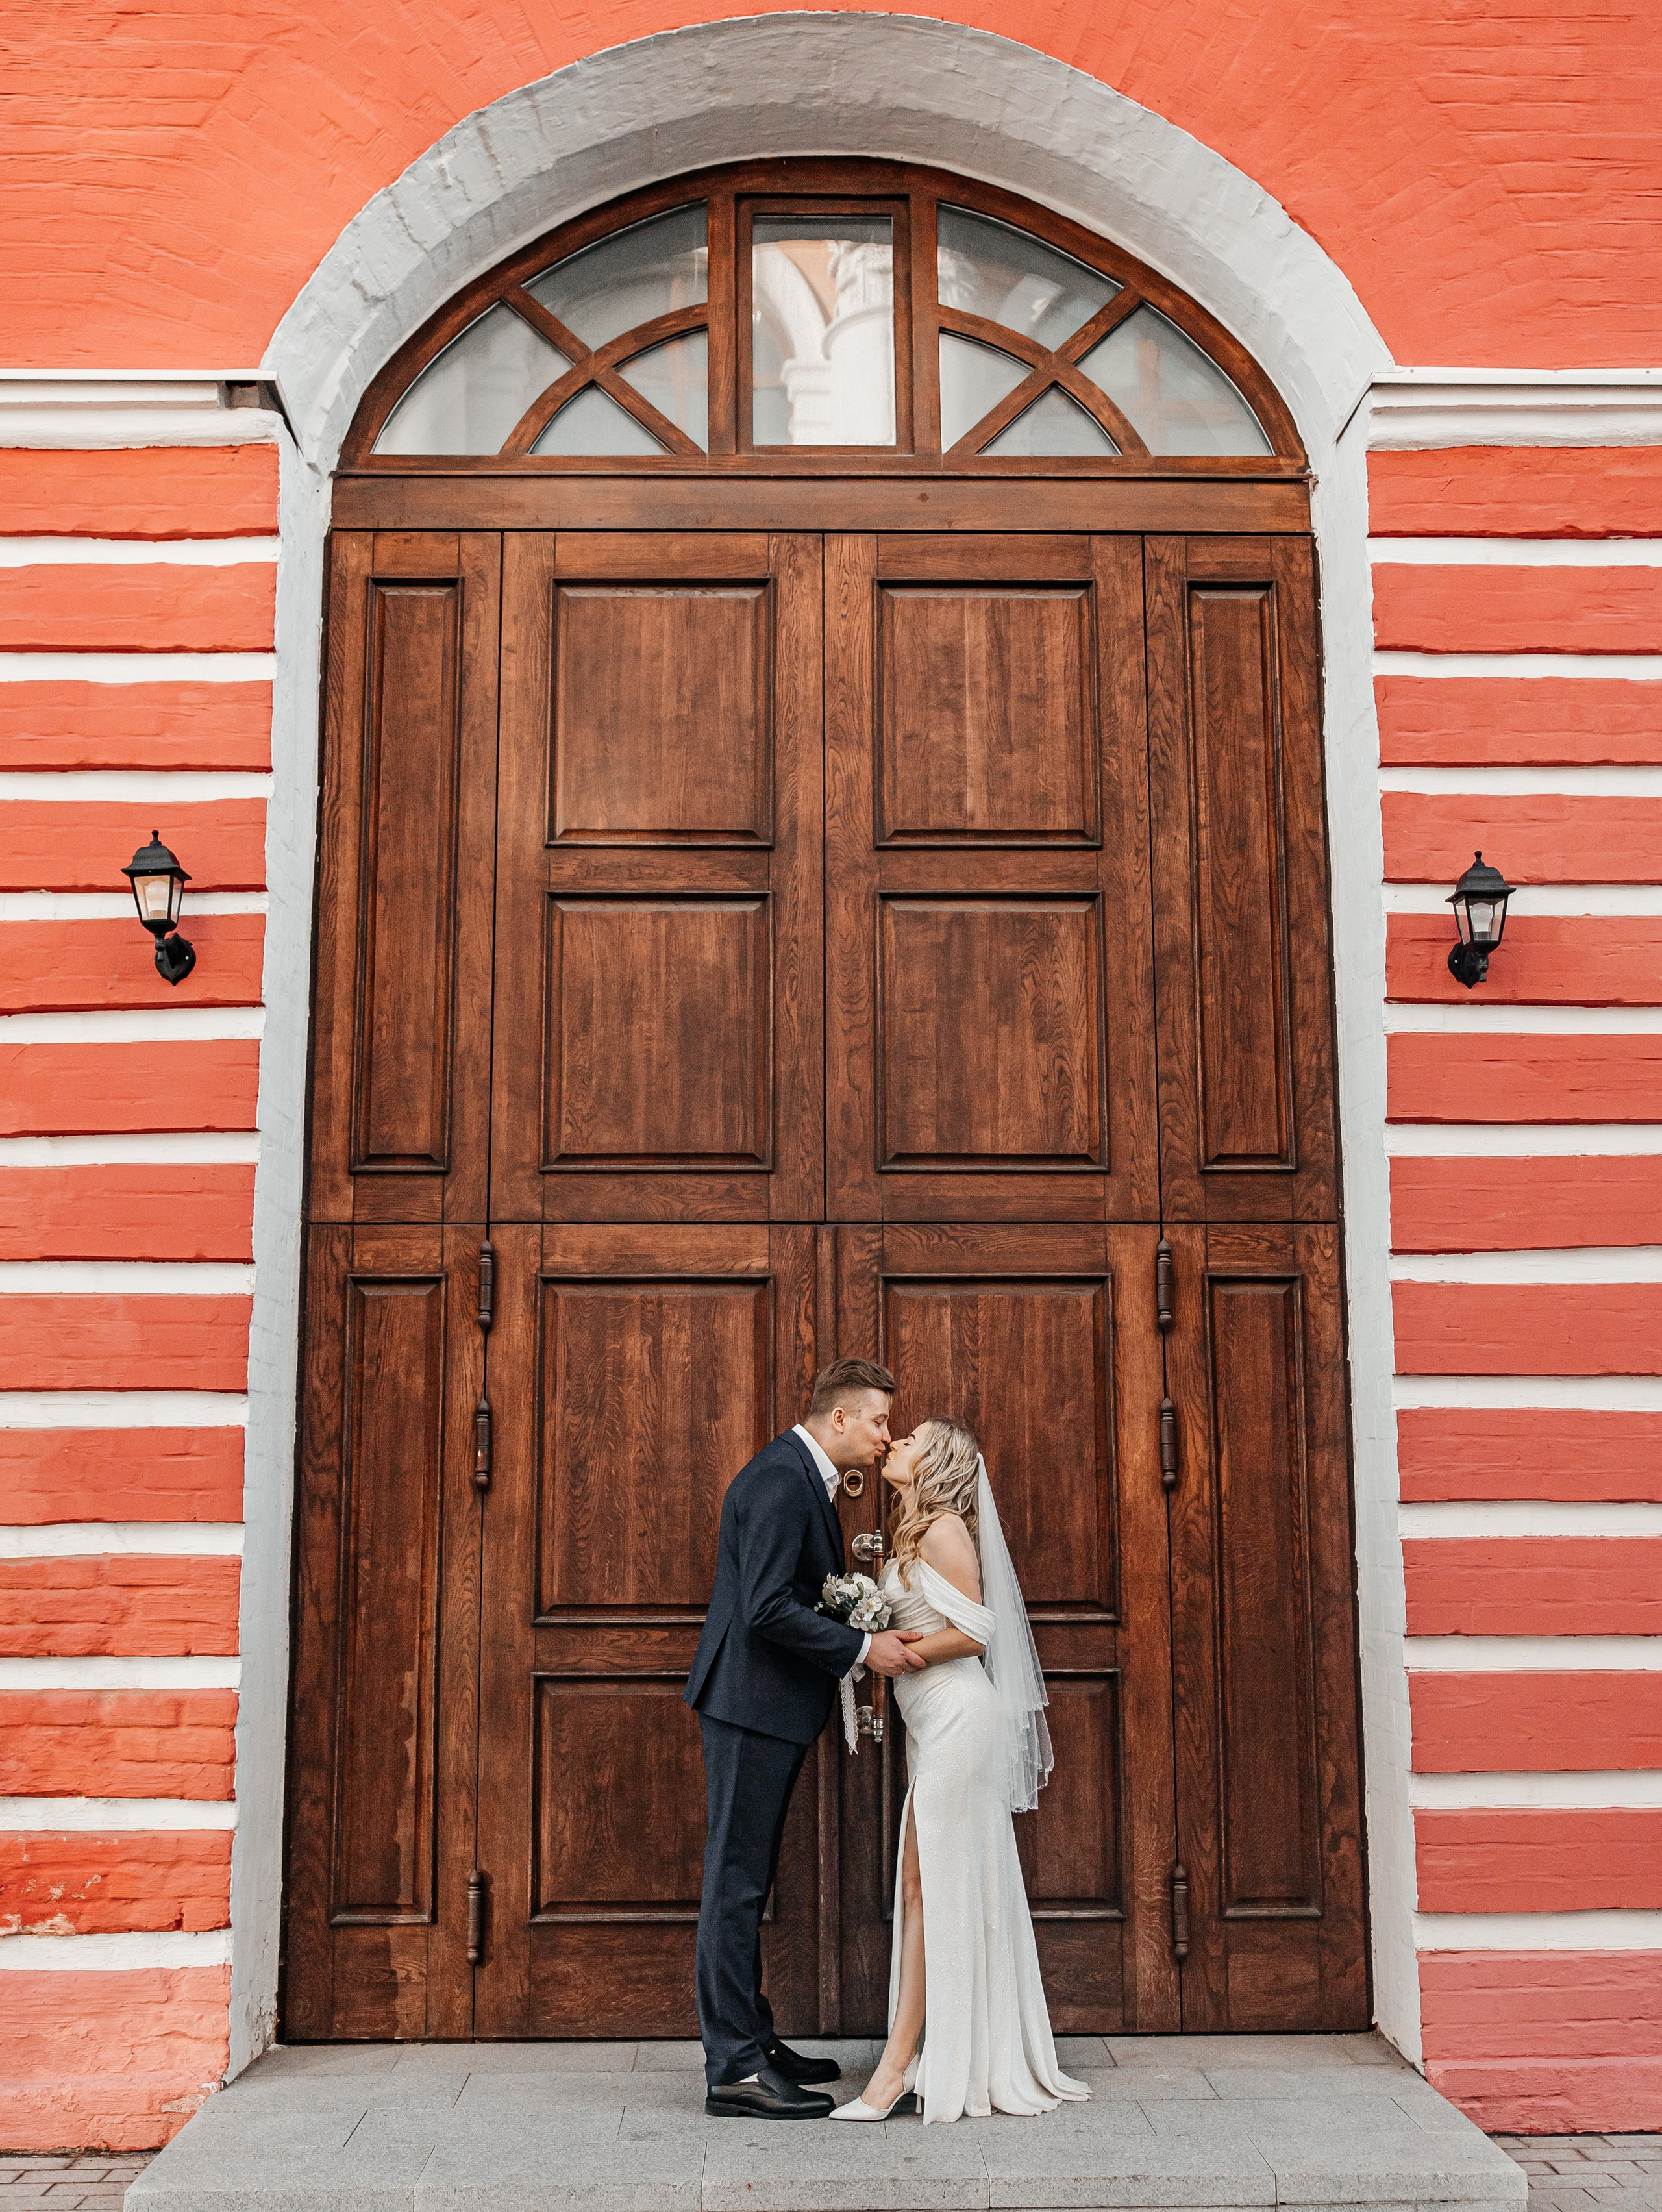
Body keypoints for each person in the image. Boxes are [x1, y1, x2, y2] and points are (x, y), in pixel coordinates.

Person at [685, 1358, 928, 2120]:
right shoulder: (782, 1479)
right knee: (736, 1882)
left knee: (747, 1879)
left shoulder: (797, 1473)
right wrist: (861, 1649)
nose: (887, 1435)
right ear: (840, 1419)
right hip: (750, 1705)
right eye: (881, 1420)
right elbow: (762, 1608)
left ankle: (754, 2037)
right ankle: (733, 2066)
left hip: (766, 1706)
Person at [830, 1417, 1090, 2125]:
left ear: (936, 1460)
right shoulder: (915, 1530)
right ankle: (934, 2049)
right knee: (927, 1885)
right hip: (932, 1722)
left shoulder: (943, 1527)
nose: (895, 1443)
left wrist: (894, 1649)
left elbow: (976, 1632)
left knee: (924, 1886)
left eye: (909, 1438)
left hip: (958, 1718)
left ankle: (894, 2069)